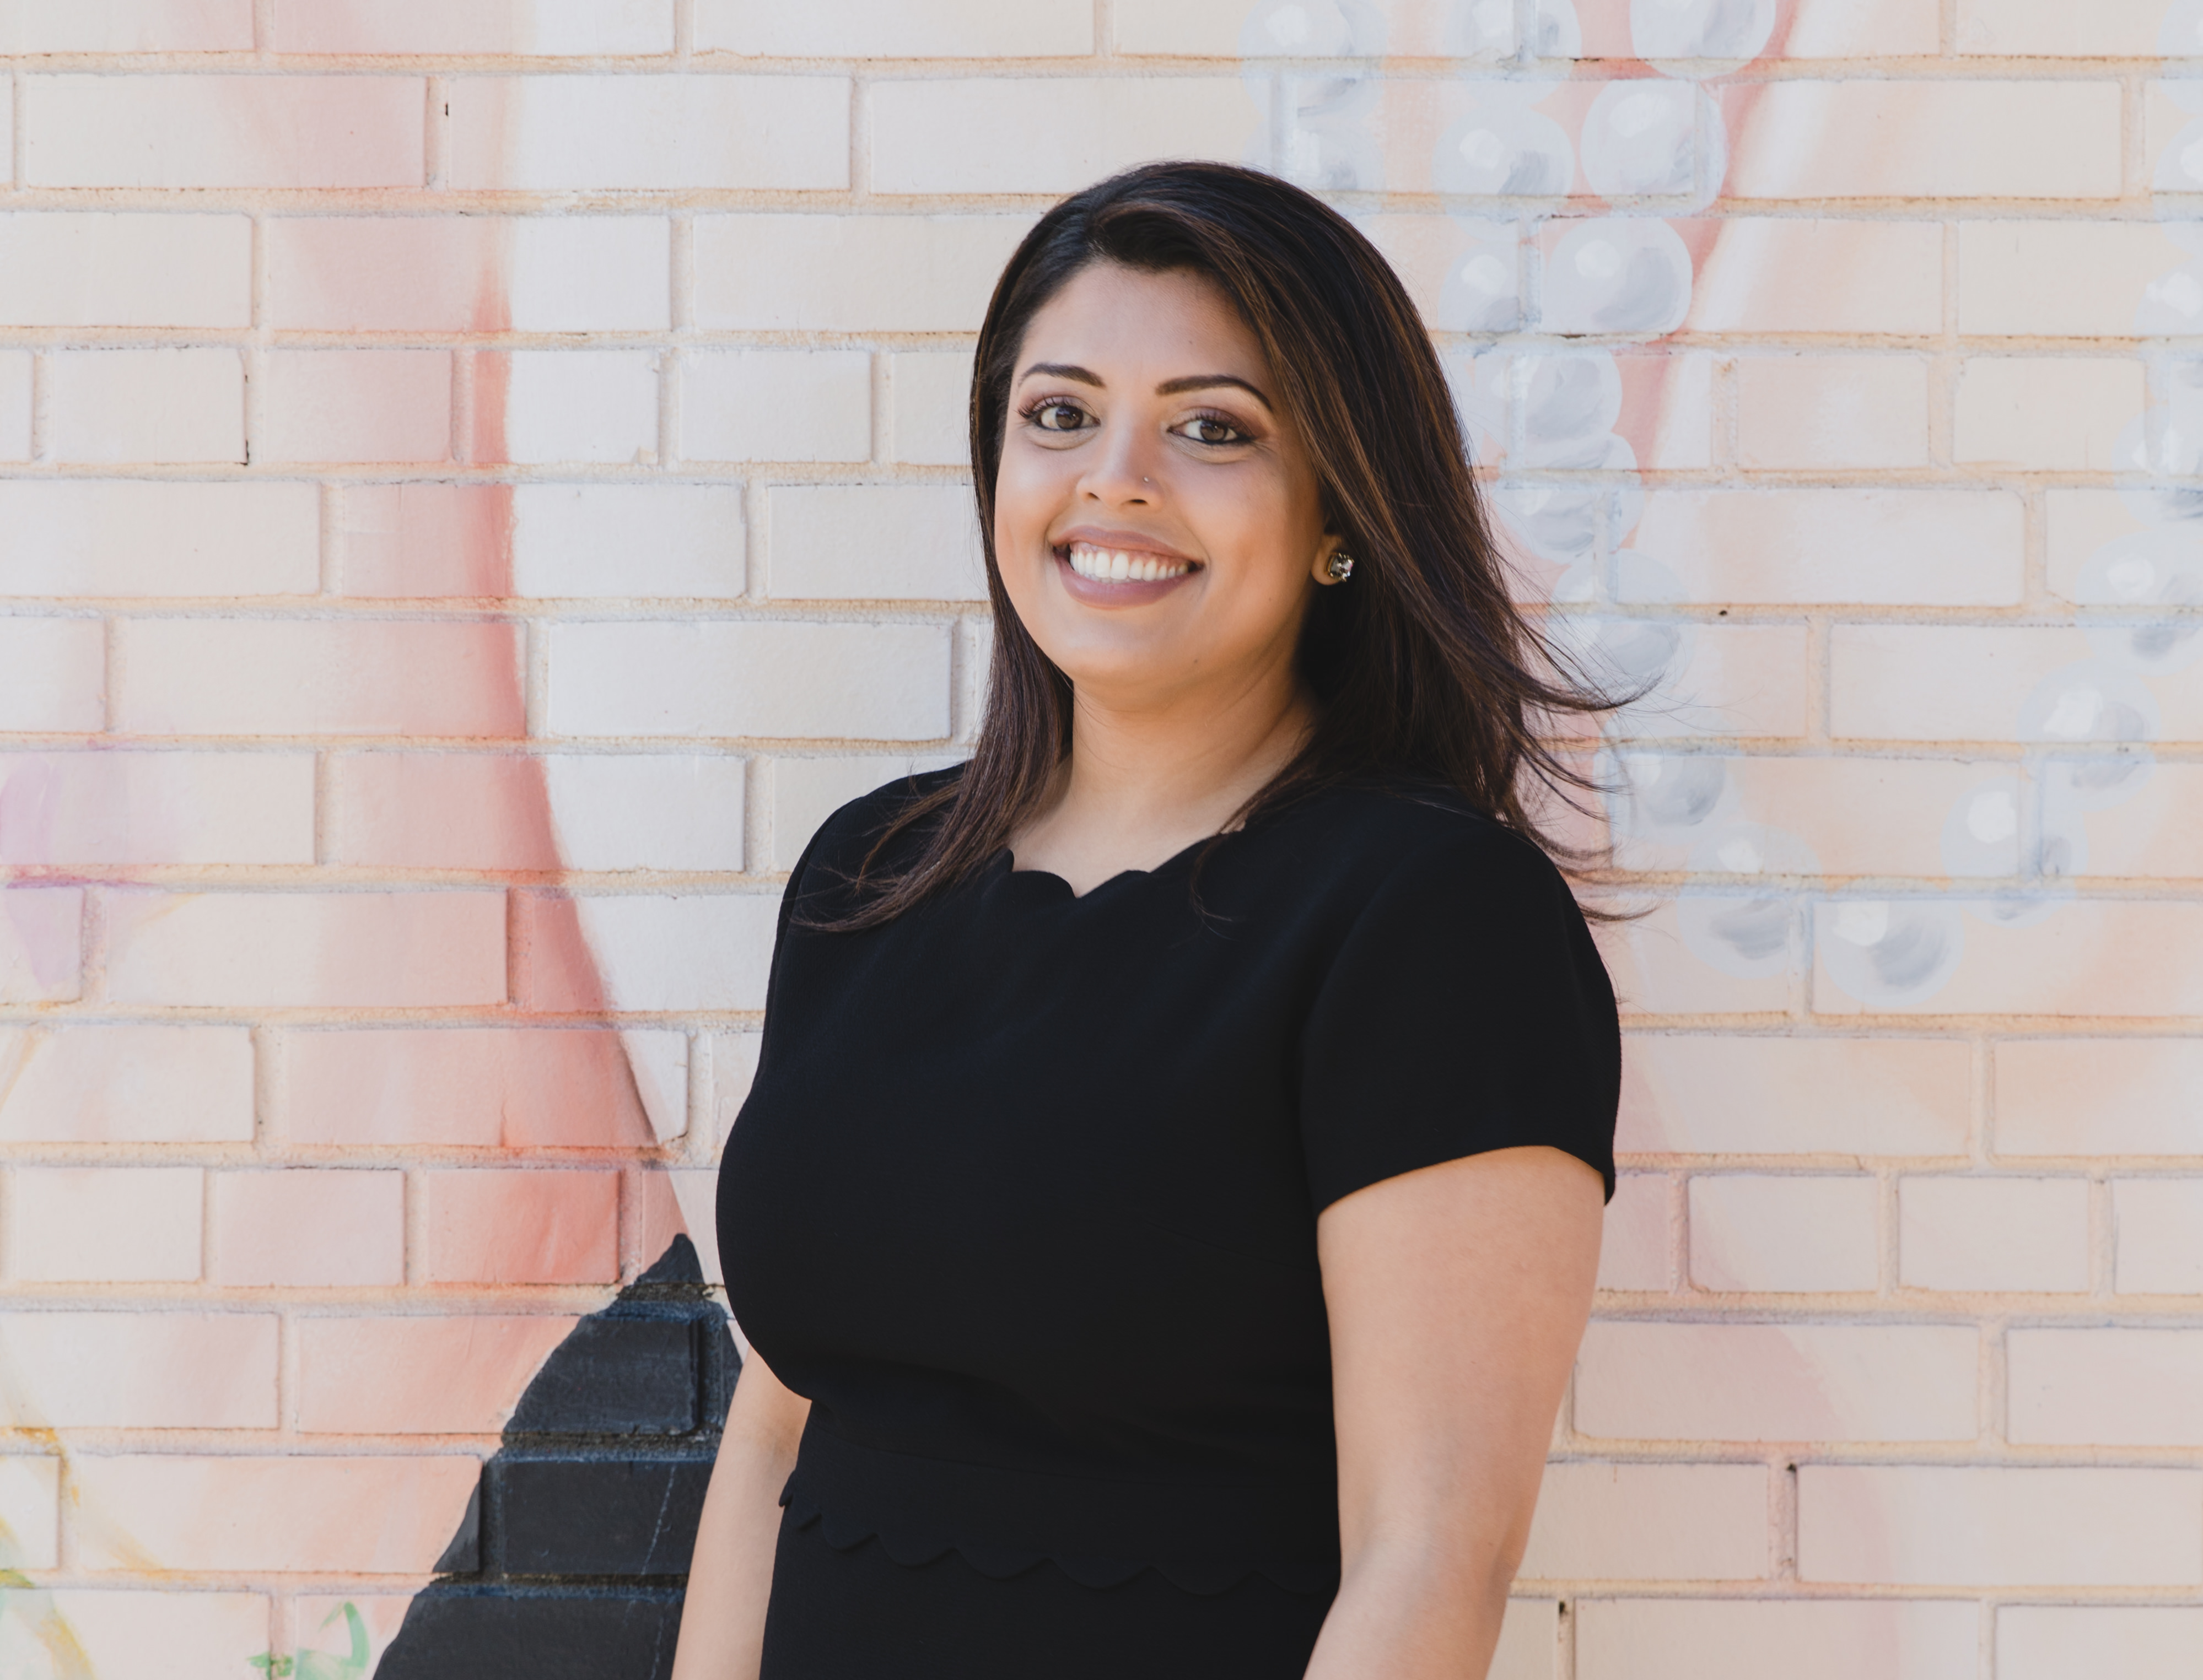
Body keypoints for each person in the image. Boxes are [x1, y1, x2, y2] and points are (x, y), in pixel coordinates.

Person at [677, 160, 1622, 1680]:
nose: (1116, 477)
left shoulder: (1434, 920)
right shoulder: (870, 876)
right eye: (1060, 414)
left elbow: (1433, 1549)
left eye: (1212, 427)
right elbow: (777, 1426)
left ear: (1341, 515)